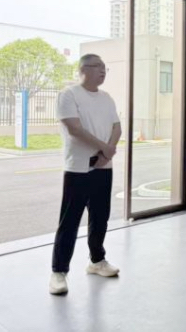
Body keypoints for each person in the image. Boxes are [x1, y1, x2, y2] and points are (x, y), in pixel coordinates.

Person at [49, 54, 122, 295]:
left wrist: (107, 153)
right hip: (78, 167)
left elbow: (117, 127)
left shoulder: (107, 98)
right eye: (98, 67)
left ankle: (97, 261)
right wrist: (105, 148)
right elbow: (74, 129)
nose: (103, 71)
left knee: (100, 217)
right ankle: (59, 272)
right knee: (70, 221)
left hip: (104, 166)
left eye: (104, 68)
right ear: (83, 69)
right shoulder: (69, 94)